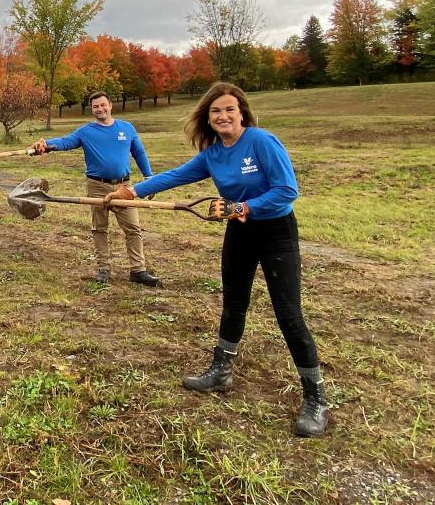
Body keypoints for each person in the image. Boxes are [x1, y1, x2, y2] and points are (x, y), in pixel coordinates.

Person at [104, 82, 329, 437]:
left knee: (288, 314)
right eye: (215, 111)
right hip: (239, 233)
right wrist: (130, 192)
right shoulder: (212, 154)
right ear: (207, 119)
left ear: (241, 112)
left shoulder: (261, 142)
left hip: (275, 232)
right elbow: (175, 176)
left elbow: (287, 190)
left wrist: (243, 206)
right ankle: (221, 371)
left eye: (229, 109)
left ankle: (315, 397)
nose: (223, 116)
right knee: (233, 304)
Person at [31, 91, 162, 287]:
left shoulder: (126, 128)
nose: (100, 109)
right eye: (95, 106)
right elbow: (66, 142)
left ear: (110, 105)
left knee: (133, 228)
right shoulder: (86, 131)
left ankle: (138, 270)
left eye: (103, 105)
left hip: (123, 187)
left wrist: (149, 178)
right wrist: (46, 144)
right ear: (92, 110)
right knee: (99, 228)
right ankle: (103, 270)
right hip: (97, 186)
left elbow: (139, 153)